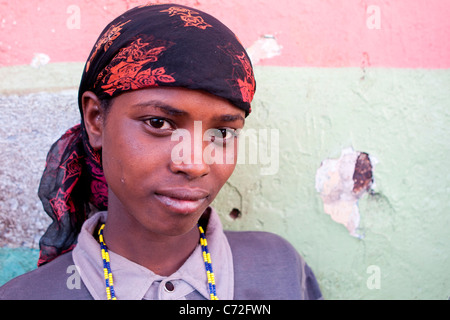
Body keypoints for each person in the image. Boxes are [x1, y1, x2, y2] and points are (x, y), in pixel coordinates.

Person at [0, 3, 322, 300]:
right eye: (159, 122)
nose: (195, 164)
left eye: (222, 132)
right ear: (96, 120)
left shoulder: (280, 273)